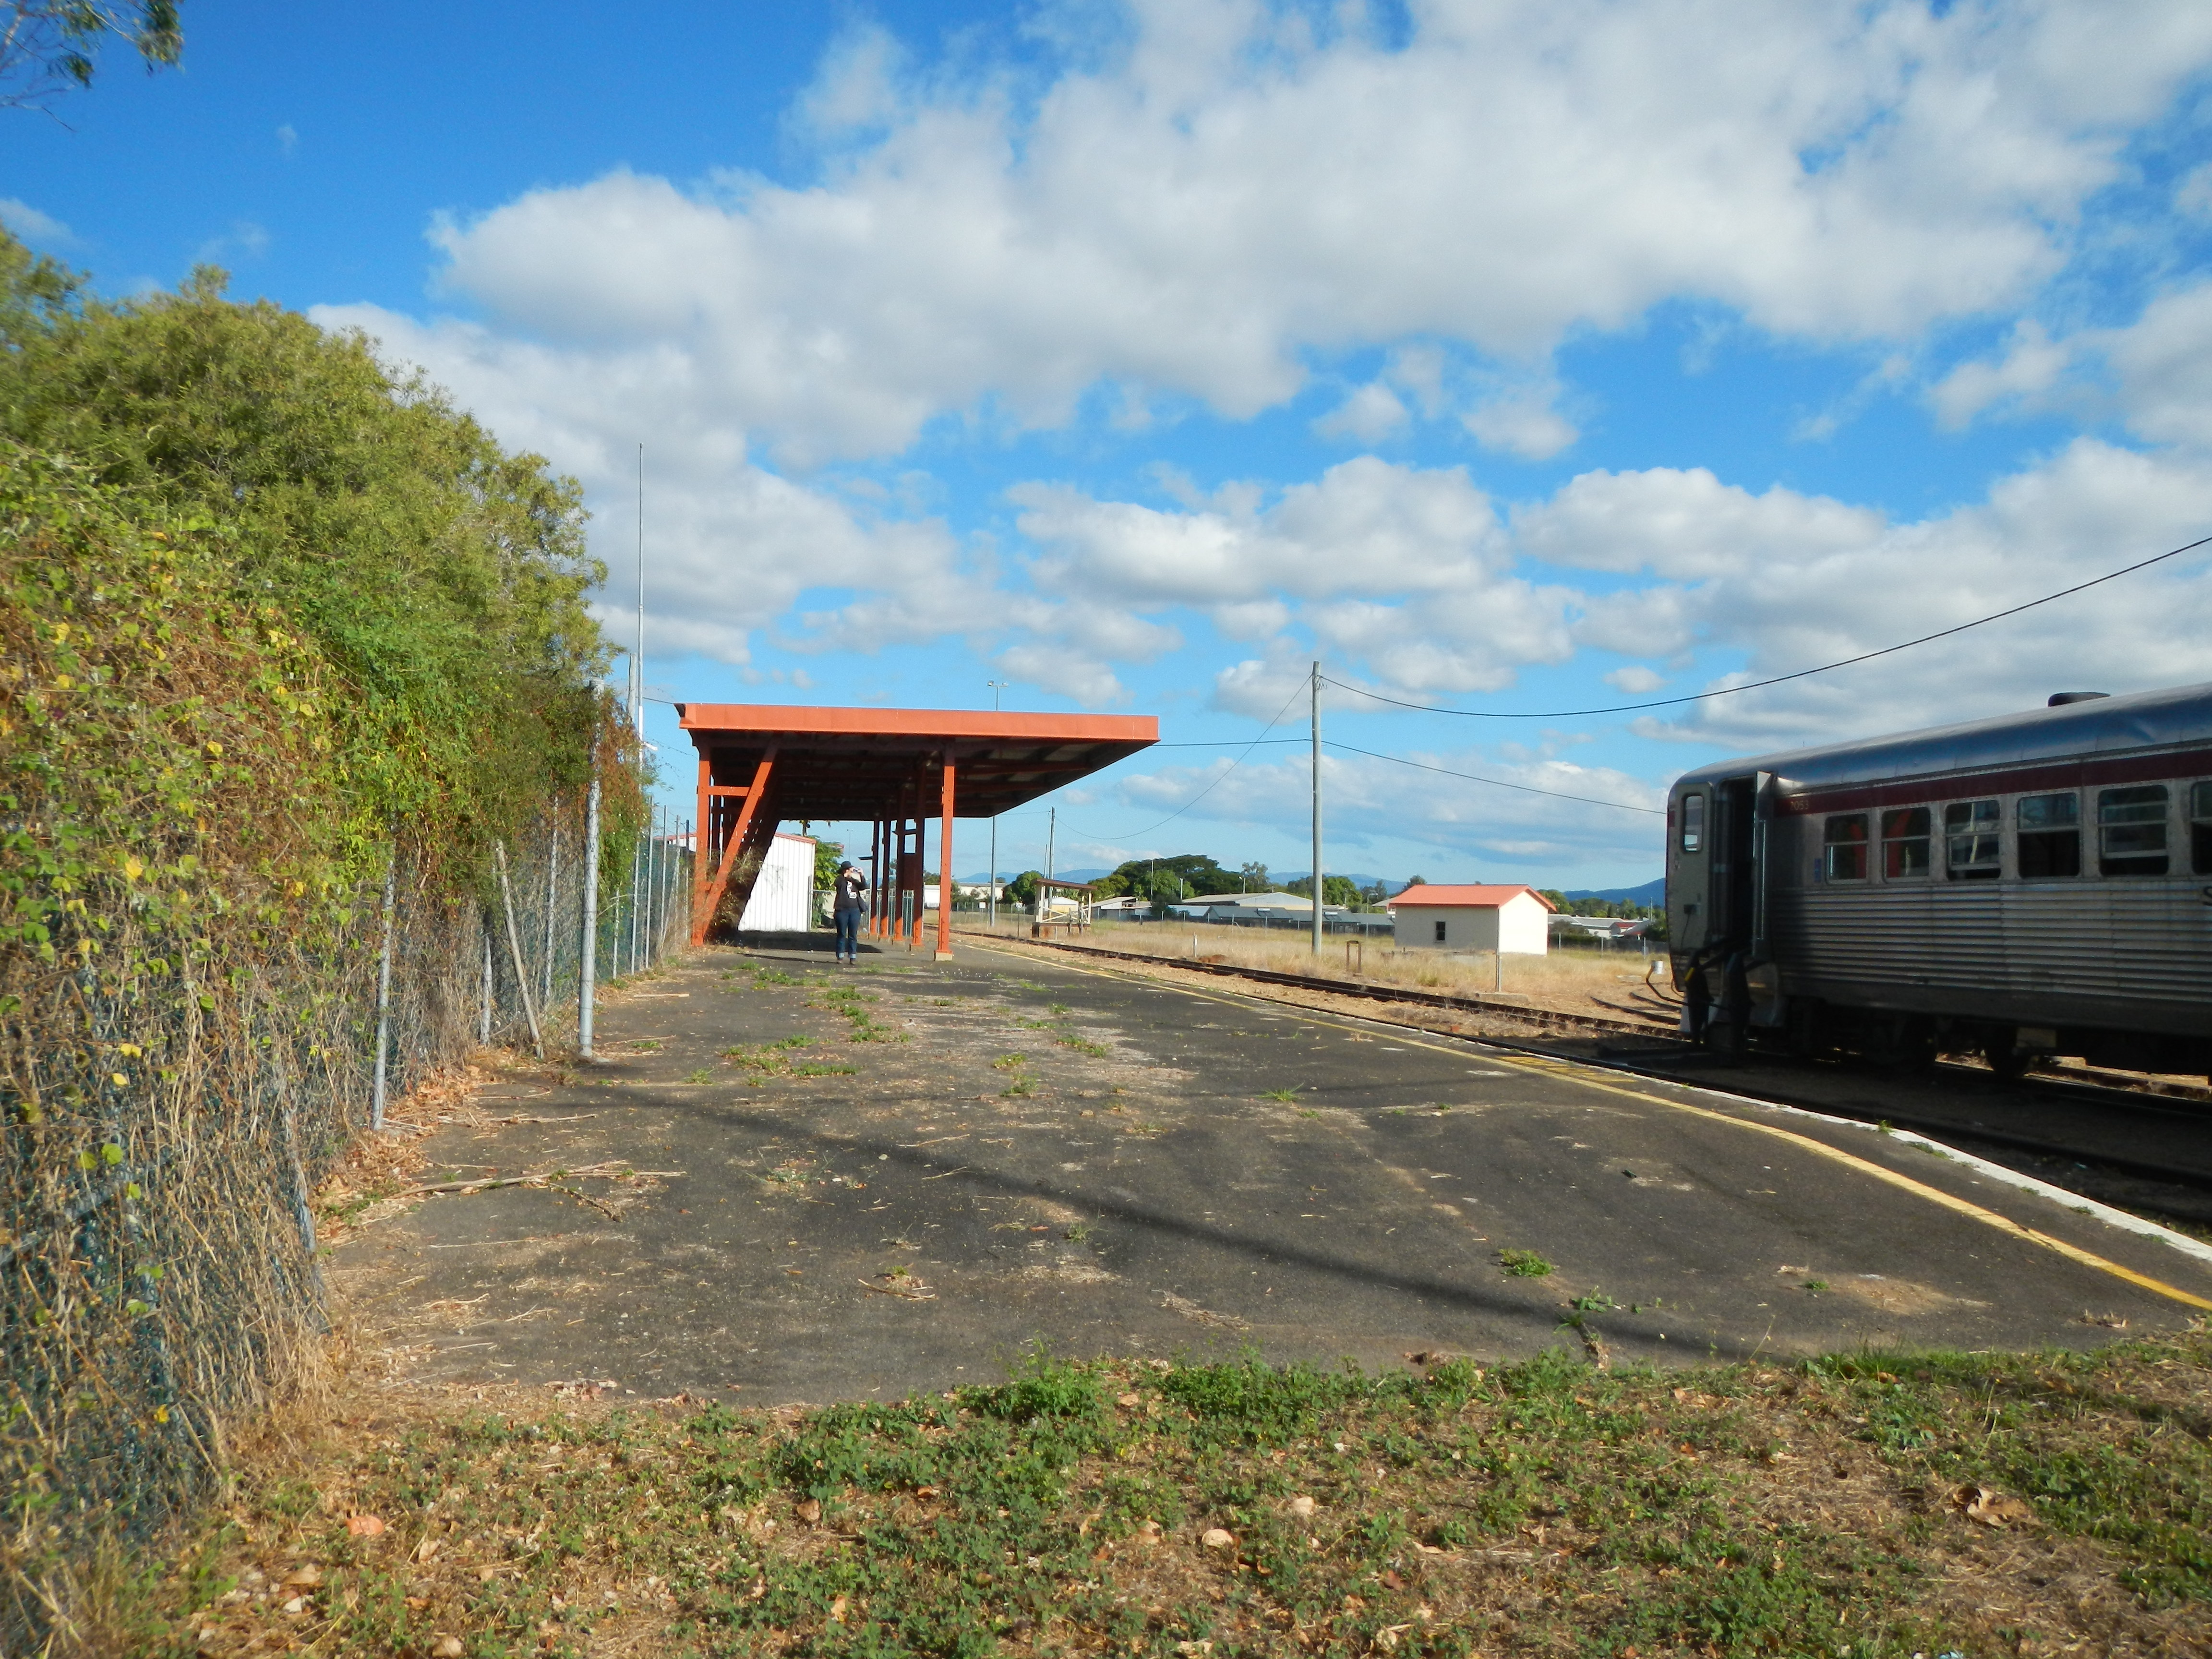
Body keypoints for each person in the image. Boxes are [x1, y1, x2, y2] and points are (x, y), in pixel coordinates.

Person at [832, 860, 868, 964]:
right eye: (850, 869)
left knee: (853, 935)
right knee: (842, 934)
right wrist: (845, 875)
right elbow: (837, 884)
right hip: (841, 910)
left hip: (854, 910)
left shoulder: (853, 881)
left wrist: (861, 875)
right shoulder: (840, 880)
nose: (852, 871)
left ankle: (853, 957)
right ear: (846, 870)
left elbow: (863, 886)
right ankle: (840, 956)